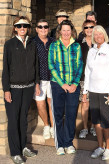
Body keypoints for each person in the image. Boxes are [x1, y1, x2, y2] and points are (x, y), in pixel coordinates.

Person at [2, 16, 40, 164]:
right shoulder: (10, 44)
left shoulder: (32, 43)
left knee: (23, 120)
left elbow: (35, 65)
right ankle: (15, 152)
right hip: (14, 89)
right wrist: (6, 90)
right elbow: (6, 69)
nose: (22, 28)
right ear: (15, 28)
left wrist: (36, 83)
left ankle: (23, 146)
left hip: (28, 88)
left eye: (25, 25)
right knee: (13, 120)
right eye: (19, 26)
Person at [83, 25, 109, 160]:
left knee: (105, 121)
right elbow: (88, 72)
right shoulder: (91, 51)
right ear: (93, 36)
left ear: (104, 35)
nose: (98, 36)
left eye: (100, 34)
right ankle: (100, 146)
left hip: (105, 92)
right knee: (96, 121)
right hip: (93, 90)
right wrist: (85, 91)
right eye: (95, 34)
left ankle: (108, 148)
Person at [48, 20, 83, 155]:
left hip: (73, 86)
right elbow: (51, 65)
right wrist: (62, 84)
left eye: (68, 30)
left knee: (71, 114)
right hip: (58, 85)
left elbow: (79, 65)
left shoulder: (76, 46)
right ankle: (60, 145)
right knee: (58, 114)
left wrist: (74, 84)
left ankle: (68, 143)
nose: (66, 33)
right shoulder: (54, 46)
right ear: (59, 31)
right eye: (64, 30)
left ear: (72, 31)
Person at [33, 19, 55, 140]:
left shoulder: (53, 42)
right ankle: (46, 125)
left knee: (51, 103)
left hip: (52, 78)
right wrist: (35, 82)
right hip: (39, 79)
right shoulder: (32, 42)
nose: (43, 29)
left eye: (45, 27)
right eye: (40, 27)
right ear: (36, 29)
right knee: (40, 104)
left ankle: (53, 127)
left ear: (48, 29)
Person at [78, 20, 96, 139]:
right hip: (83, 78)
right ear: (83, 30)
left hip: (97, 79)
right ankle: (84, 128)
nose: (89, 29)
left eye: (91, 27)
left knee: (95, 104)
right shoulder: (78, 43)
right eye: (86, 27)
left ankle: (94, 127)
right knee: (85, 104)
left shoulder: (99, 42)